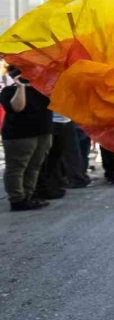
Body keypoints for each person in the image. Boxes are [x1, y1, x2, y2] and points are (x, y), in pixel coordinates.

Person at [1, 66, 52, 211]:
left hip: (43, 132)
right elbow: (18, 107)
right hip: (19, 135)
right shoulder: (8, 91)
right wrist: (21, 87)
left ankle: (28, 196)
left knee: (34, 166)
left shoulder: (41, 89)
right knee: (17, 167)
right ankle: (17, 199)